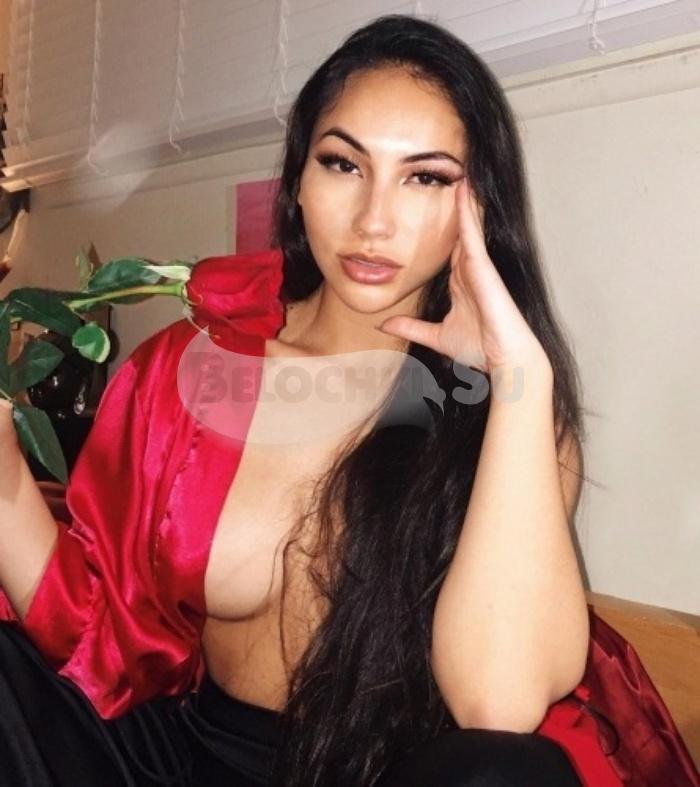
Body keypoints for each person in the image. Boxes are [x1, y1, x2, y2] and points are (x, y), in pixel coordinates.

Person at [0, 13, 697, 787]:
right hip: (187, 756)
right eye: (343, 164)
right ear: (299, 180)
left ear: (480, 207)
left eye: (425, 177)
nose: (373, 220)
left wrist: (517, 379)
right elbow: (96, 632)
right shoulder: (191, 369)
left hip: (384, 772)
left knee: (506, 772)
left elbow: (497, 702)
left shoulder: (505, 414)